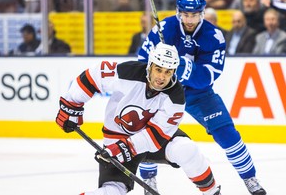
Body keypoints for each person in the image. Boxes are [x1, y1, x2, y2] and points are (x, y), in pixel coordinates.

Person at [138, 0, 267, 195]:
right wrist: (158, 67)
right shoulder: (164, 28)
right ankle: (149, 181)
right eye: (186, 14)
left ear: (203, 13)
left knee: (227, 134)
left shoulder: (214, 36)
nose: (190, 19)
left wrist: (178, 65)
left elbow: (207, 77)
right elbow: (142, 61)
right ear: (179, 12)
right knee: (145, 130)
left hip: (198, 93)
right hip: (163, 90)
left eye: (195, 14)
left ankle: (250, 178)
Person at [55, 42, 222, 195]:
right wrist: (71, 105)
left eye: (167, 72)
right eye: (158, 69)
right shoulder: (128, 73)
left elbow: (156, 135)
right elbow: (93, 76)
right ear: (150, 66)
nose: (162, 77)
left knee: (186, 149)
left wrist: (125, 148)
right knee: (112, 191)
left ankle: (212, 192)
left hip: (154, 143)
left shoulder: (176, 97)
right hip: (117, 138)